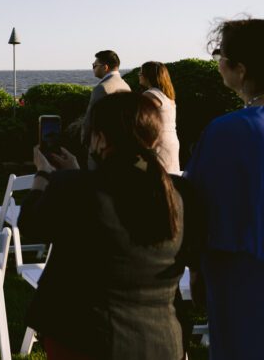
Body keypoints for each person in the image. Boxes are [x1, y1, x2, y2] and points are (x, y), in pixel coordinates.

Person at [19, 92, 202, 359]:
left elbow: (32, 225)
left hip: (84, 337)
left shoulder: (74, 188)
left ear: (101, 138)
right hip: (161, 339)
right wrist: (76, 172)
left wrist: (43, 175)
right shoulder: (180, 193)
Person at [184, 18, 264, 358]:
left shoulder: (228, 132)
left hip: (242, 271)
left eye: (220, 55)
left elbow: (197, 205)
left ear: (240, 70)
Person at [82, 50, 131, 146]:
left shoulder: (102, 88)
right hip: (122, 143)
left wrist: (84, 141)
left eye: (94, 66)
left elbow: (90, 120)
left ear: (105, 67)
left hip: (102, 146)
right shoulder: (126, 86)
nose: (93, 69)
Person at [139, 61, 179, 174]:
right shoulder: (168, 95)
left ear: (148, 76)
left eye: (141, 72)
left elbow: (141, 121)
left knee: (156, 178)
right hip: (171, 141)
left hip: (158, 142)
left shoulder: (150, 95)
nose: (139, 75)